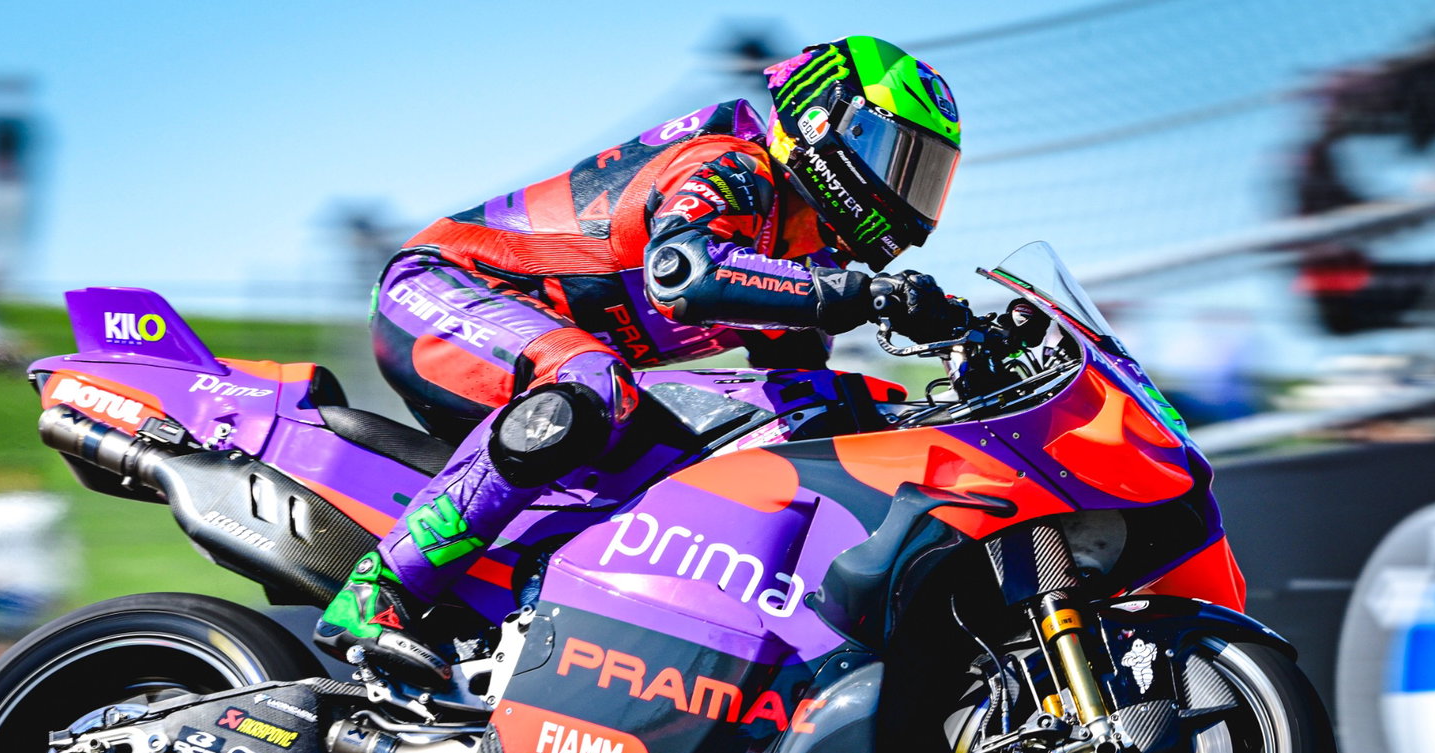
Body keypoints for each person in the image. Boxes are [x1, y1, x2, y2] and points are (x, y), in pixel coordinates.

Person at [315, 35, 970, 681]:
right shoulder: (733, 166)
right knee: (596, 386)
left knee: (766, 427)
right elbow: (684, 273)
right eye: (895, 156)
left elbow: (800, 402)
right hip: (440, 285)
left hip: (534, 355)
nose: (906, 188)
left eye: (926, 175)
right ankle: (377, 593)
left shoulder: (802, 261)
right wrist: (870, 294)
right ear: (823, 118)